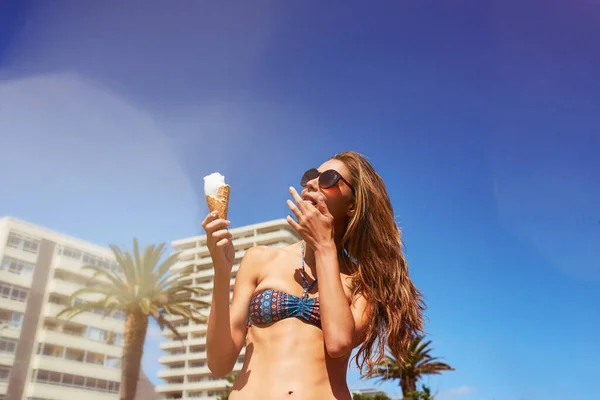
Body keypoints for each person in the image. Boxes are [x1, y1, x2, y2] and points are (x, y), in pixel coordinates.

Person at [202, 151, 425, 399]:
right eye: (310, 176)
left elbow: (339, 342)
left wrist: (324, 247)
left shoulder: (362, 282)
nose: (311, 183)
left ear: (352, 204)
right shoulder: (259, 259)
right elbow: (219, 364)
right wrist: (221, 273)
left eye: (328, 178)